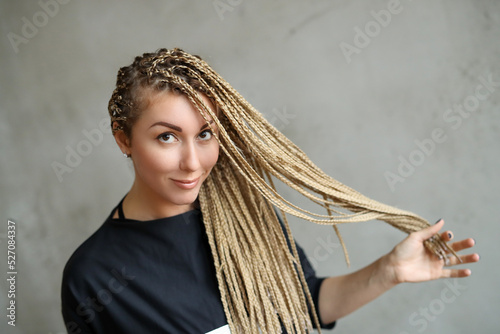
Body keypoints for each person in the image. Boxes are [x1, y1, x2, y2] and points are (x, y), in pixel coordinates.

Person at [61, 48, 479, 334]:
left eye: (206, 134)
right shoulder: (92, 277)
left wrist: (388, 271)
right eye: (167, 138)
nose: (193, 161)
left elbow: (307, 304)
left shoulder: (246, 217)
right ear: (123, 138)